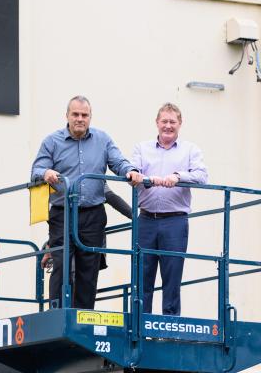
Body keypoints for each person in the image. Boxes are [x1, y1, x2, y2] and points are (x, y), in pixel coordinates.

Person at [31, 95, 141, 309]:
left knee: (89, 269)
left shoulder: (103, 139)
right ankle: (57, 312)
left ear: (90, 117)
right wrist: (45, 172)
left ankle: (84, 316)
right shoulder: (52, 141)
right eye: (75, 114)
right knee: (61, 265)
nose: (80, 119)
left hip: (93, 214)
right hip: (62, 214)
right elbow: (35, 170)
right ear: (67, 116)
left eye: (84, 115)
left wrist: (131, 171)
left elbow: (118, 162)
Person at [133, 102, 207, 316]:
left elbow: (202, 176)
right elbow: (132, 170)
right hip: (146, 220)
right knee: (142, 276)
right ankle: (141, 326)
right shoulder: (141, 148)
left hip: (175, 222)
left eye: (172, 122)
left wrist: (178, 177)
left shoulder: (191, 150)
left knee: (172, 277)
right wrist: (144, 178)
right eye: (164, 121)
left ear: (180, 124)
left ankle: (170, 328)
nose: (168, 126)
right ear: (157, 123)